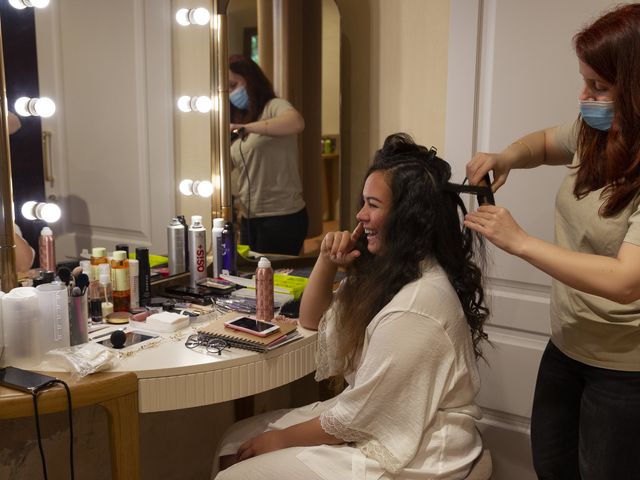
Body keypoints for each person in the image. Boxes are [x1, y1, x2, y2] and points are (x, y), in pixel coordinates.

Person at [213, 133, 489, 479]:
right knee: (233, 440)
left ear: (407, 217)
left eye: (373, 205)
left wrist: (280, 439)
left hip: (419, 449)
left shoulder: (417, 305)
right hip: (373, 418)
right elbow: (313, 320)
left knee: (236, 473)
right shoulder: (389, 272)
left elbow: (357, 416)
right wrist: (328, 261)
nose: (359, 215)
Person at [464, 5, 640, 479]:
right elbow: (544, 142)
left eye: (599, 87)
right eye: (584, 81)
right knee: (552, 468)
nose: (584, 97)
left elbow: (627, 282)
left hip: (626, 373)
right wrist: (506, 156)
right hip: (565, 349)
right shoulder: (598, 133)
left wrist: (519, 241)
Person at [228, 54, 307, 256]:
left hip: (282, 217)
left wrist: (247, 127)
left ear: (250, 78)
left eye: (233, 84)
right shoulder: (236, 118)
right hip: (248, 218)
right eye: (226, 88)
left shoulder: (274, 107)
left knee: (276, 281)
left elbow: (297, 123)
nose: (231, 93)